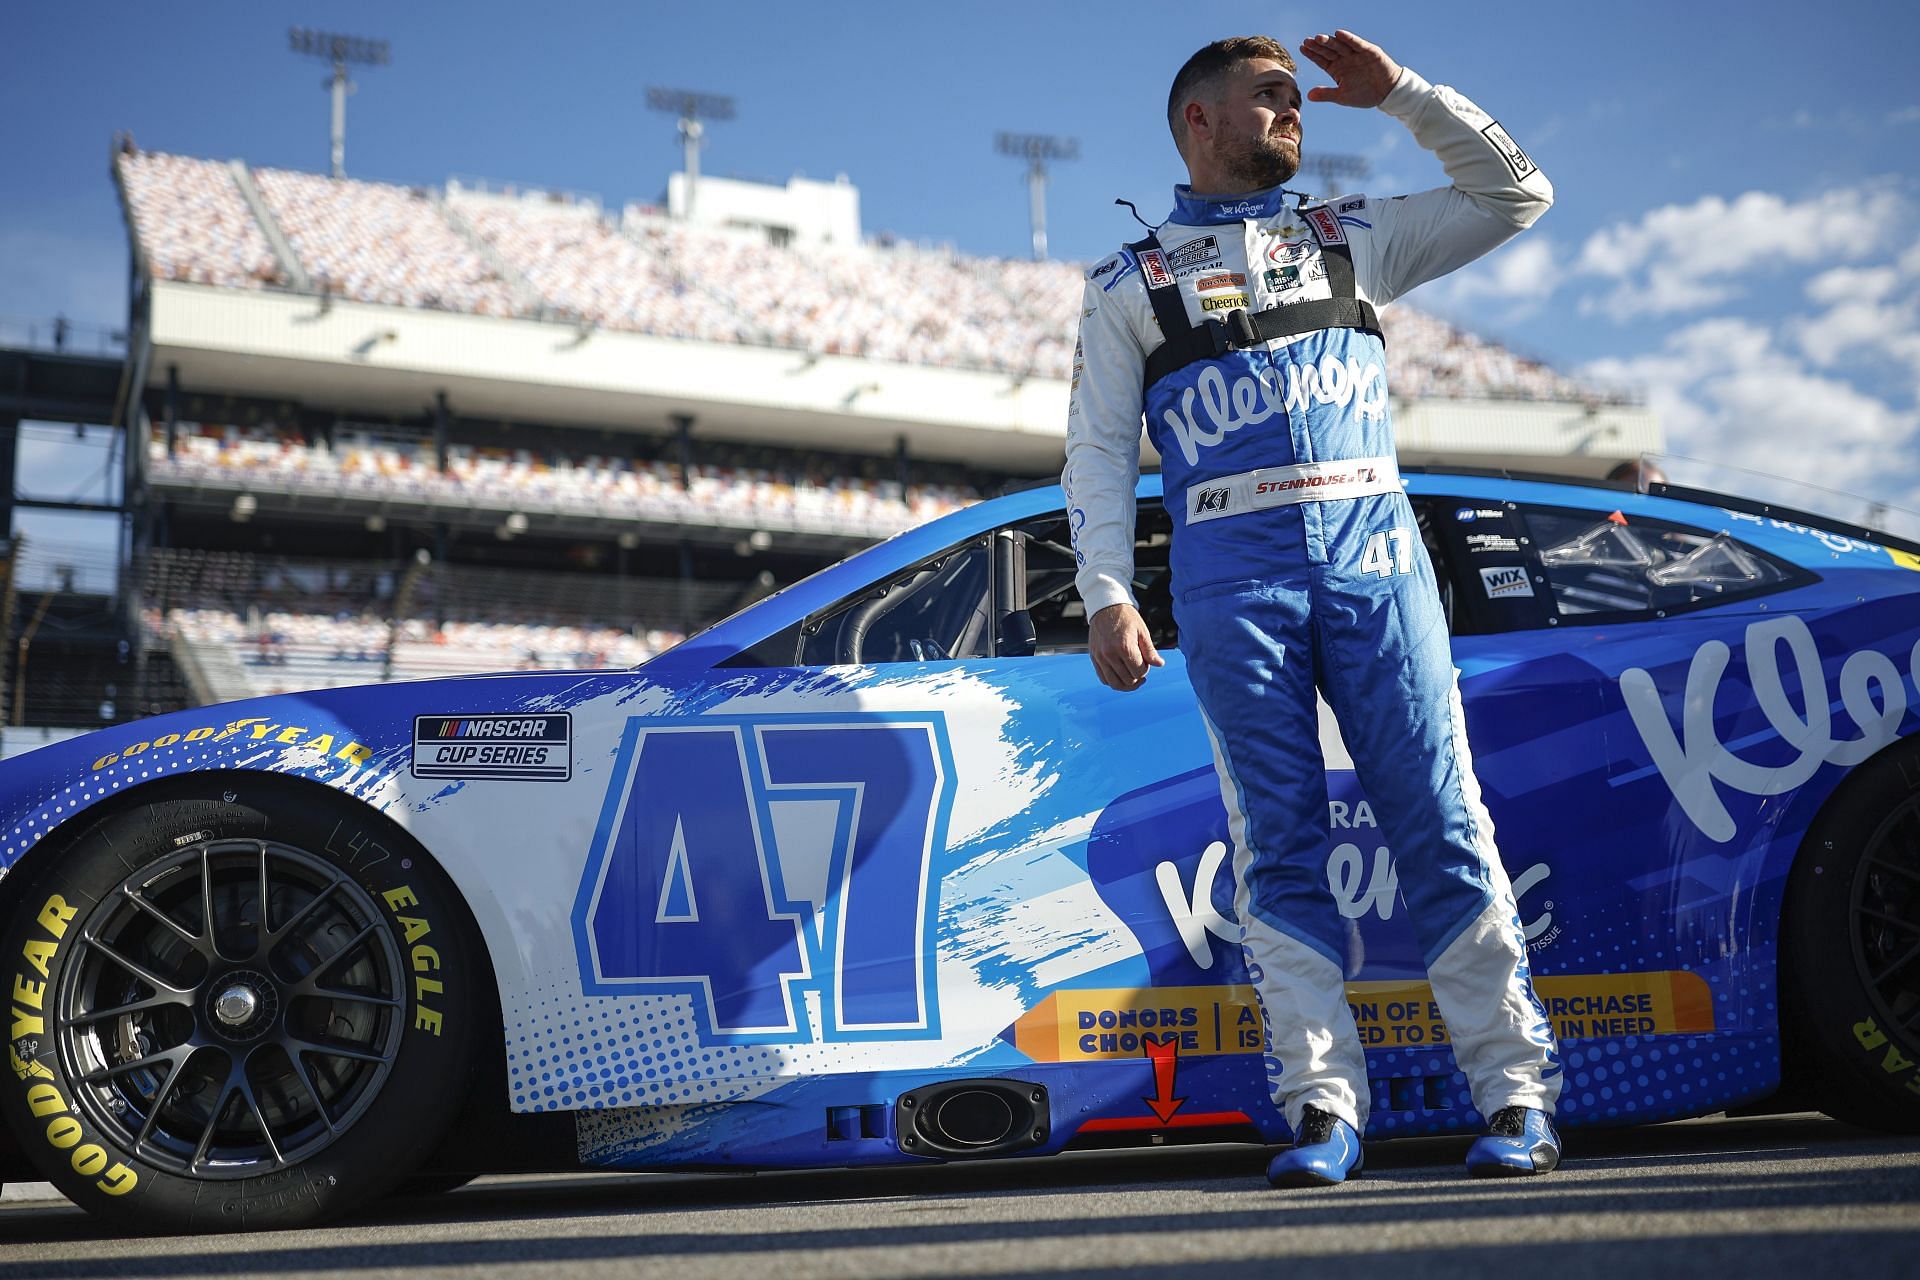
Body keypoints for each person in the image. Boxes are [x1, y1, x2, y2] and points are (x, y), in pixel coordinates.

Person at [1063, 30, 1563, 1187]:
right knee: (1274, 844)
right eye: (1270, 97)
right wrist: (1104, 590)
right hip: (1230, 584)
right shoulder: (1124, 283)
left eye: (1299, 98)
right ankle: (1325, 1108)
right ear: (1198, 120)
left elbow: (1516, 191)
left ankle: (1518, 1094)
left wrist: (1406, 97)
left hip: (1376, 564)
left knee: (1443, 818)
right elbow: (1095, 452)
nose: (1296, 113)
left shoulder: (1352, 237)